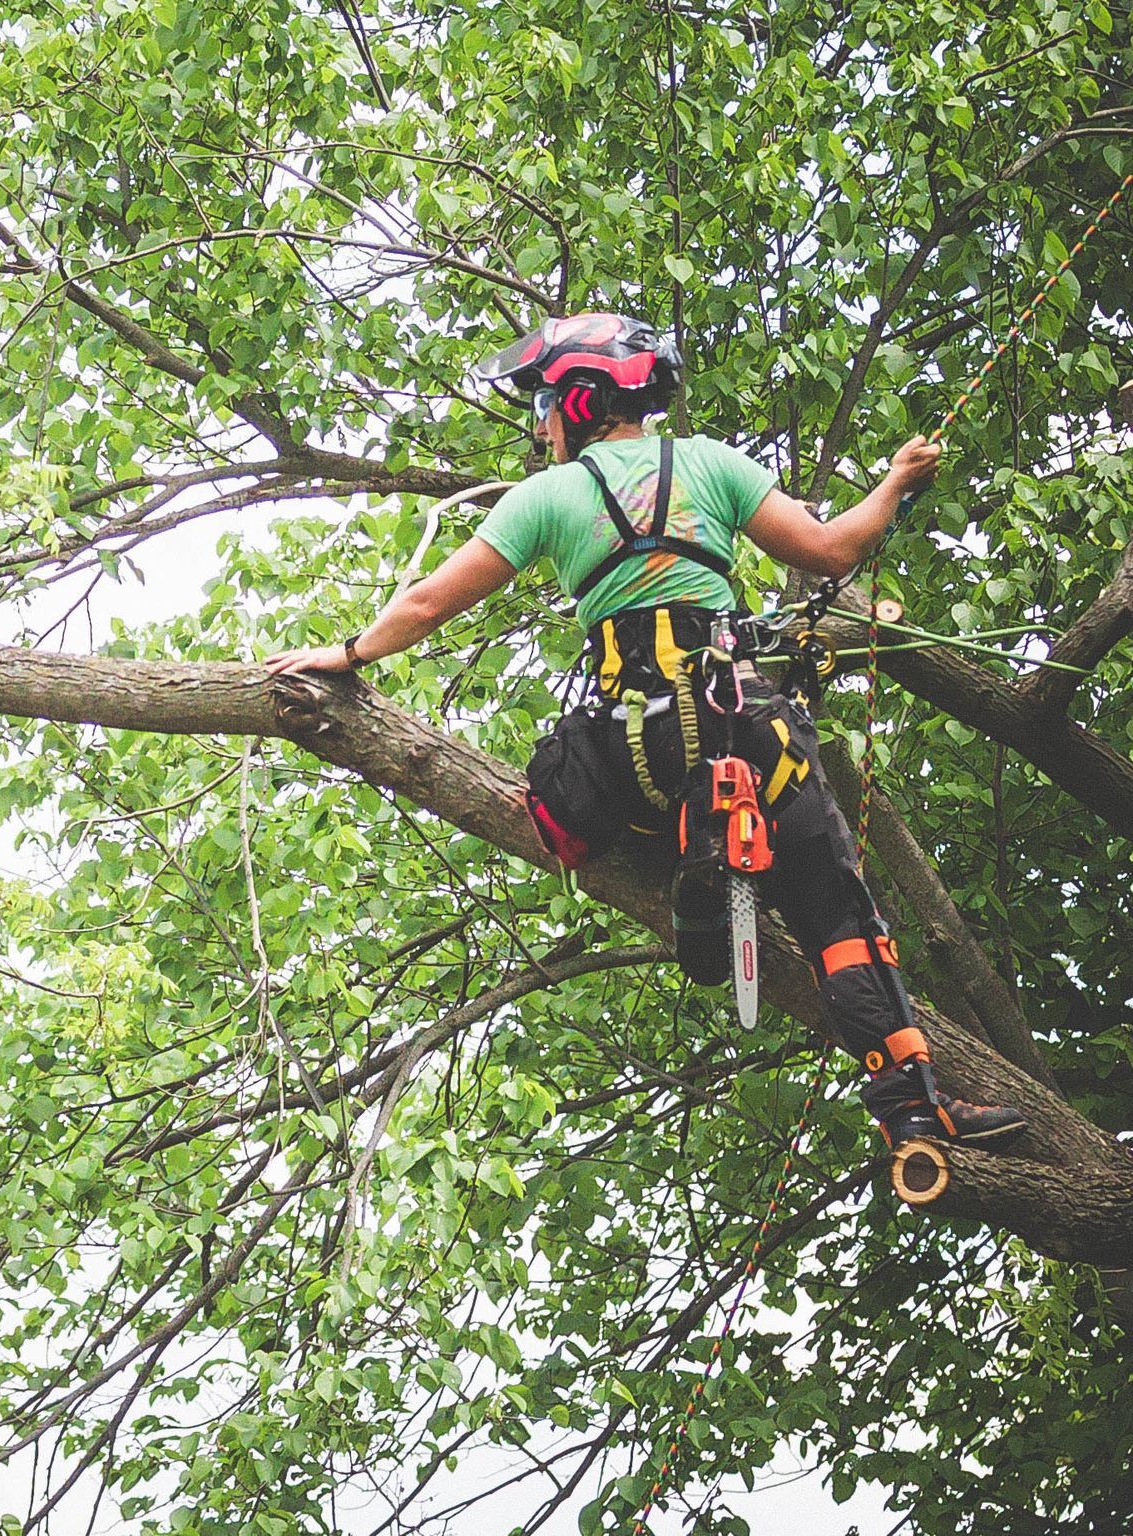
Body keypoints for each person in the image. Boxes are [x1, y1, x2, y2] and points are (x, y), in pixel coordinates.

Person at [264, 312, 1027, 1151]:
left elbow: (427, 603)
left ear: (581, 402)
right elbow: (830, 550)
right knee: (837, 904)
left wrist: (346, 653)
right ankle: (913, 1106)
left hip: (621, 755)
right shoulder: (709, 463)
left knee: (576, 793)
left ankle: (692, 870)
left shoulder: (548, 496)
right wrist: (894, 481)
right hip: (742, 731)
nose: (544, 422)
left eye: (548, 404)